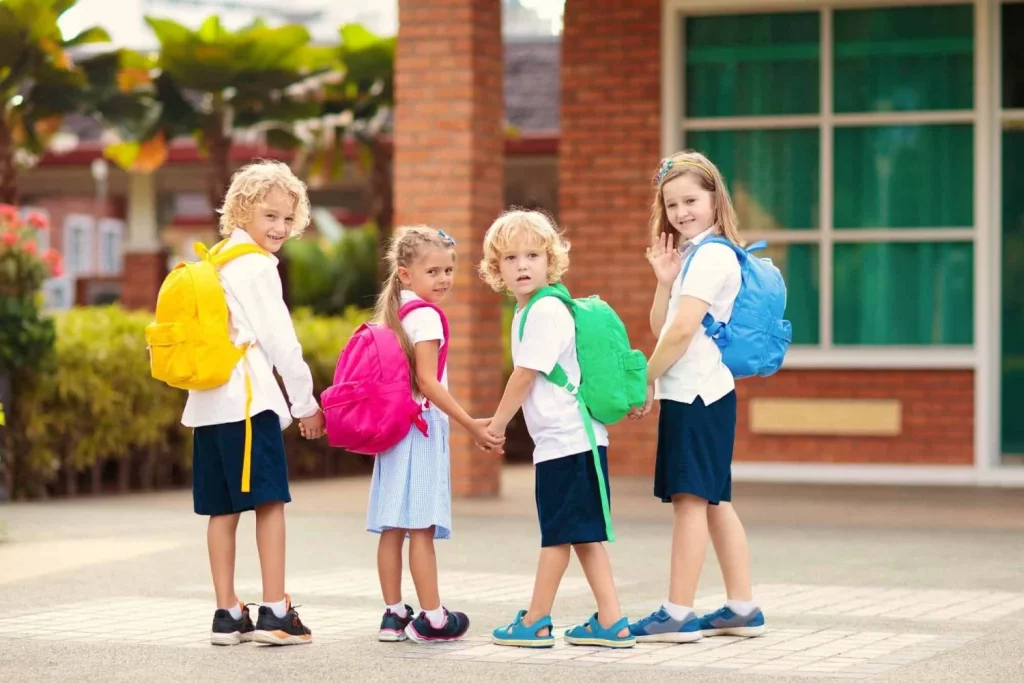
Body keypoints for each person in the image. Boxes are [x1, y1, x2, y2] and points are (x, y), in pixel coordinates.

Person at [183, 160, 324, 646]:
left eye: (288, 218)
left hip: (206, 405)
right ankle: (275, 611)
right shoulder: (257, 267)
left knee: (221, 510)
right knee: (269, 503)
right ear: (241, 212)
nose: (281, 228)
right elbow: (282, 344)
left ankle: (227, 613)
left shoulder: (215, 262)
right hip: (248, 404)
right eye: (270, 216)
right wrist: (306, 404)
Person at [628, 151, 767, 643]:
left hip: (697, 395)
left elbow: (685, 329)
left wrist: (644, 377)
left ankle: (677, 612)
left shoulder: (711, 255)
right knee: (712, 501)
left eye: (691, 200)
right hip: (704, 392)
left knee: (690, 500)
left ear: (714, 199)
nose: (681, 212)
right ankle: (742, 607)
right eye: (671, 204)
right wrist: (665, 282)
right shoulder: (695, 256)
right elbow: (662, 324)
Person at [480, 209, 634, 649]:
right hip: (569, 441)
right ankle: (611, 621)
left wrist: (497, 424)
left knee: (558, 535)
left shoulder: (546, 310)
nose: (522, 265)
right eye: (510, 258)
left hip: (569, 442)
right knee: (581, 534)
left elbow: (524, 375)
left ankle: (536, 619)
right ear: (497, 269)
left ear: (552, 261)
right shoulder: (531, 309)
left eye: (532, 255)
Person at [367, 225, 505, 643]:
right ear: (406, 274)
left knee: (392, 527)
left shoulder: (395, 312)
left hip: (391, 431)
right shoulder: (425, 317)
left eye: (449, 269)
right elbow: (427, 382)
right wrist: (470, 424)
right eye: (433, 271)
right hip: (420, 430)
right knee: (421, 527)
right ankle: (433, 617)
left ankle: (393, 615)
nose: (444, 278)